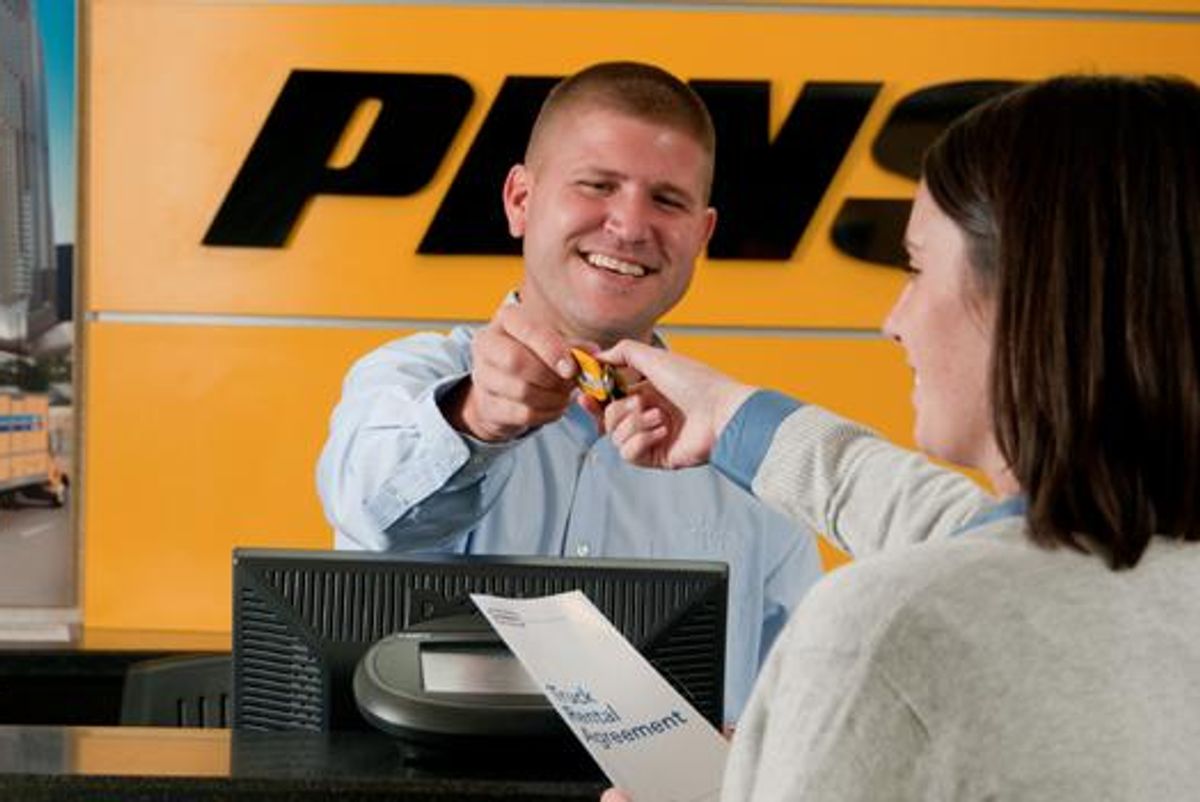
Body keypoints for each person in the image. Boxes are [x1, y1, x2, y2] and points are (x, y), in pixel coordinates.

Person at [316, 61, 990, 724]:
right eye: (597, 185)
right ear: (520, 200)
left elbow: (788, 713)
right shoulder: (408, 381)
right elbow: (370, 512)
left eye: (666, 200)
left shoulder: (743, 462)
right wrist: (474, 419)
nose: (631, 225)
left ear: (701, 236)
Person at [598, 74, 1200, 800]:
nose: (894, 319)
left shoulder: (890, 631)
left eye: (915, 267)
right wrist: (728, 415)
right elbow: (971, 540)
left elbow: (961, 586)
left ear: (1029, 300)